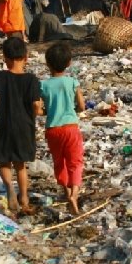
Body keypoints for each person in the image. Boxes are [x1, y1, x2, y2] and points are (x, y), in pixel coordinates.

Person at [0, 37, 43, 215]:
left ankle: (10, 189)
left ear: (5, 57)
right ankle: (24, 197)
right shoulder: (31, 80)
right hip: (24, 127)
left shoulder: (0, 77)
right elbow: (36, 105)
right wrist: (32, 116)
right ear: (26, 57)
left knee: (4, 160)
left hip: (5, 124)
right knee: (20, 164)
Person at [40, 42, 86, 215]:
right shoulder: (72, 82)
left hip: (53, 130)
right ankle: (74, 193)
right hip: (71, 128)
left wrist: (49, 110)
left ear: (48, 64)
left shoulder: (43, 86)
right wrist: (72, 108)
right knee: (75, 162)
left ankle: (66, 192)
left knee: (60, 162)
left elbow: (37, 109)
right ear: (69, 63)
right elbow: (81, 106)